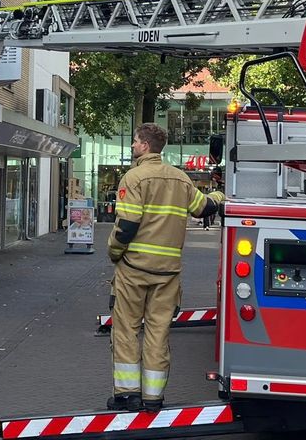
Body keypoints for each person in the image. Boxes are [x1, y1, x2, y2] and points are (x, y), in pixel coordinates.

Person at [107, 123, 224, 413]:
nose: (133, 146)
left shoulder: (133, 178)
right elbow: (204, 208)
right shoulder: (181, 179)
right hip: (168, 273)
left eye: (135, 142)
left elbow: (127, 225)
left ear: (145, 146)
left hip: (134, 270)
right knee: (158, 334)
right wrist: (222, 196)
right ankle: (153, 398)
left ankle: (127, 395)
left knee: (126, 331)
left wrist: (114, 252)